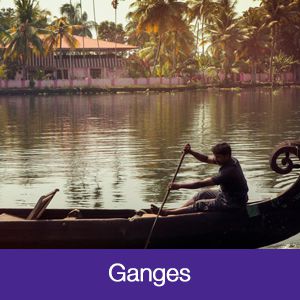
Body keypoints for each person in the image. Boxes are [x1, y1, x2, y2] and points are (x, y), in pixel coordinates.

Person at [151, 142, 248, 216]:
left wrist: (179, 186)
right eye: (215, 156)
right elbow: (205, 159)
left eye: (218, 157)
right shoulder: (227, 160)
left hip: (233, 202)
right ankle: (176, 212)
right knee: (202, 194)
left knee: (199, 205)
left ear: (227, 155)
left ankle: (167, 213)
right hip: (225, 194)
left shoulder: (229, 171)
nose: (215, 159)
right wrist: (190, 152)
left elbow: (200, 184)